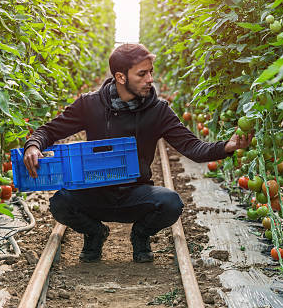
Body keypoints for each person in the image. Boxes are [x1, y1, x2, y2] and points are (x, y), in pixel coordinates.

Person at [23, 43, 252, 263]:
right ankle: (94, 233)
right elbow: (50, 130)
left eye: (150, 73)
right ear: (121, 77)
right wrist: (33, 145)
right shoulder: (90, 105)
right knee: (60, 203)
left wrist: (226, 147)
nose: (150, 80)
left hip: (135, 194)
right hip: (94, 193)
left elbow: (192, 147)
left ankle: (140, 235)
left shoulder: (158, 111)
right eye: (142, 74)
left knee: (171, 204)